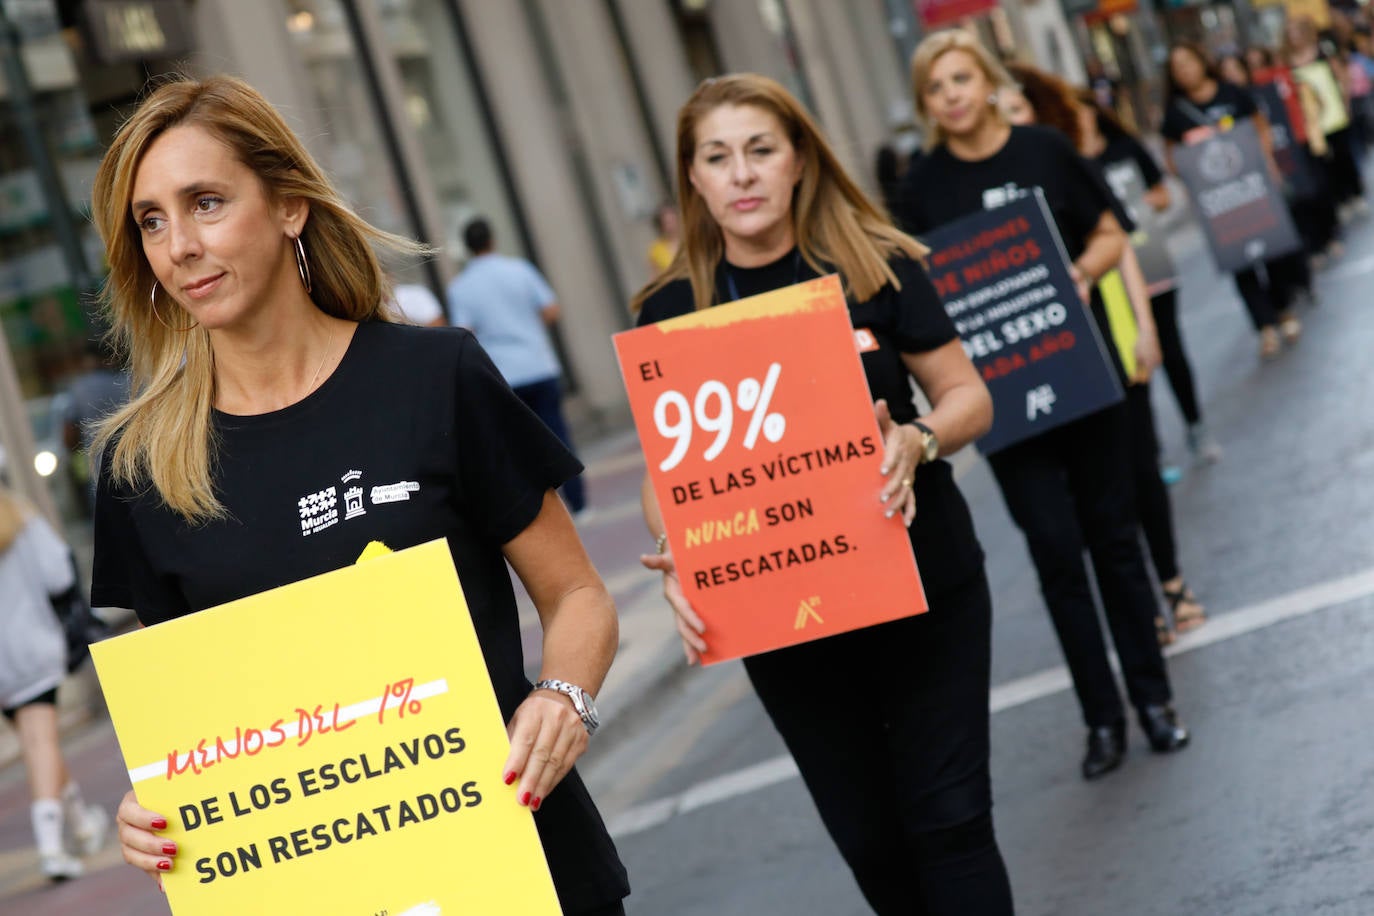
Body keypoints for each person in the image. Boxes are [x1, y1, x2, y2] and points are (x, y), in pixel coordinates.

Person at [88, 75, 629, 914]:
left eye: (205, 202)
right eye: (151, 221)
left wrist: (563, 701)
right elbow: (193, 732)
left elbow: (579, 596)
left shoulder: (434, 376)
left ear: (289, 205)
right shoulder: (141, 467)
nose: (179, 245)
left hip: (518, 867)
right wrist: (147, 810)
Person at [633, 73, 1014, 914]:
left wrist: (919, 438)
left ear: (799, 160)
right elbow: (669, 482)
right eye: (718, 157)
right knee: (872, 839)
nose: (742, 174)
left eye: (761, 151)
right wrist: (681, 552)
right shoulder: (669, 310)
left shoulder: (875, 266)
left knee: (951, 821)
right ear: (691, 177)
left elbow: (968, 397)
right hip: (785, 617)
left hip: (923, 586)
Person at [897, 30, 1189, 780]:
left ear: (990, 81)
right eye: (937, 87)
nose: (953, 95)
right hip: (1002, 397)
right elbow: (911, 297)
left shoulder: (1044, 151)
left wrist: (1078, 276)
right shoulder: (920, 189)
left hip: (1081, 370)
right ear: (926, 104)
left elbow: (1108, 232)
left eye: (963, 78)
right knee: (1056, 551)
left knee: (1114, 539)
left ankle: (1154, 701)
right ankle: (1102, 719)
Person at [1003, 64, 1210, 644]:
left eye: (1019, 112)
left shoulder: (1065, 164)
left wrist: (1145, 327)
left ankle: (1171, 581)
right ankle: (1139, 603)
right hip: (1050, 356)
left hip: (1112, 335)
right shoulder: (995, 190)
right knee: (1097, 493)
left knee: (1140, 469)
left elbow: (1119, 250)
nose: (1010, 125)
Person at [1074, 87, 1222, 468]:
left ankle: (1195, 424)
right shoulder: (1069, 163)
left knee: (1169, 346)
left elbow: (1162, 195)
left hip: (1149, 261)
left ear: (1094, 112)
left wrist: (1137, 203)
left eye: (1080, 110)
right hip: (1108, 280)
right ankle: (1150, 450)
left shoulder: (1124, 147)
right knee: (1129, 364)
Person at [1161, 42, 1302, 359]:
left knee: (1273, 251)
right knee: (1241, 263)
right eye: (1177, 67)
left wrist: (1267, 163)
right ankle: (1264, 326)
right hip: (1220, 202)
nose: (1185, 70)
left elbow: (1259, 127)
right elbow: (1172, 157)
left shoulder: (1232, 93)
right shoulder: (1176, 114)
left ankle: (1284, 310)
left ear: (1201, 61)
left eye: (1188, 62)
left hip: (1252, 188)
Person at [0, 486, 109, 881]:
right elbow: (59, 575)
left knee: (35, 746)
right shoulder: (18, 516)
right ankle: (51, 849)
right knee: (41, 743)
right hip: (32, 649)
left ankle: (82, 823)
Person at [446, 217, 589, 517]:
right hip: (538, 363)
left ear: (468, 248)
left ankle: (541, 513)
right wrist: (525, 327)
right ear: (492, 240)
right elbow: (551, 309)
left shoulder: (460, 287)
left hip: (502, 375)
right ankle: (579, 504)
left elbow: (463, 331)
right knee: (558, 434)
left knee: (517, 449)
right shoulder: (519, 270)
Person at [62, 335, 131, 515]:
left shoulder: (79, 388)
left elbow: (69, 432)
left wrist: (73, 455)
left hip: (98, 462)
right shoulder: (128, 381)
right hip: (133, 458)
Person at [647, 200, 680, 276]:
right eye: (667, 222)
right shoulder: (656, 250)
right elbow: (656, 277)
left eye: (672, 220)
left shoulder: (689, 240)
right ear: (661, 225)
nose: (671, 225)